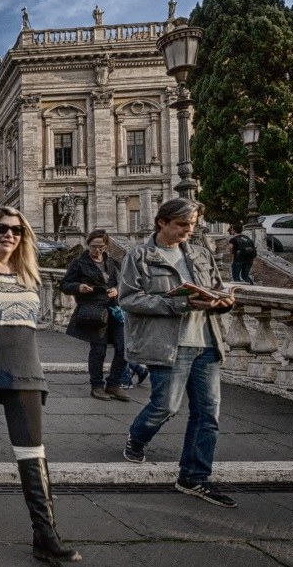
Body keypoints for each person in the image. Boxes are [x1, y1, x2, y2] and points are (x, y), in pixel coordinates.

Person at [0, 206, 81, 563]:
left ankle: (45, 534)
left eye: (17, 230)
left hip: (25, 369)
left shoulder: (31, 273)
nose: (9, 235)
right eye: (1, 229)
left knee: (32, 450)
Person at [120, 198, 238, 509]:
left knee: (208, 415)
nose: (188, 230)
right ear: (162, 222)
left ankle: (193, 477)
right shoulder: (140, 256)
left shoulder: (199, 252)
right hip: (168, 344)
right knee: (165, 407)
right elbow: (129, 299)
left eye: (192, 225)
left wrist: (223, 300)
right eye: (182, 225)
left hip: (207, 342)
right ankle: (137, 437)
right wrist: (179, 303)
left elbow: (215, 285)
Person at [60, 229, 129, 401]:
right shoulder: (79, 263)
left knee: (124, 348)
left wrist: (117, 290)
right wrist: (79, 287)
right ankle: (97, 386)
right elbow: (65, 285)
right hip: (93, 311)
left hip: (114, 310)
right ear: (88, 244)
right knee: (98, 350)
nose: (97, 250)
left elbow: (123, 282)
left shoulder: (112, 262)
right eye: (93, 246)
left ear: (106, 246)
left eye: (101, 247)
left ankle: (113, 384)